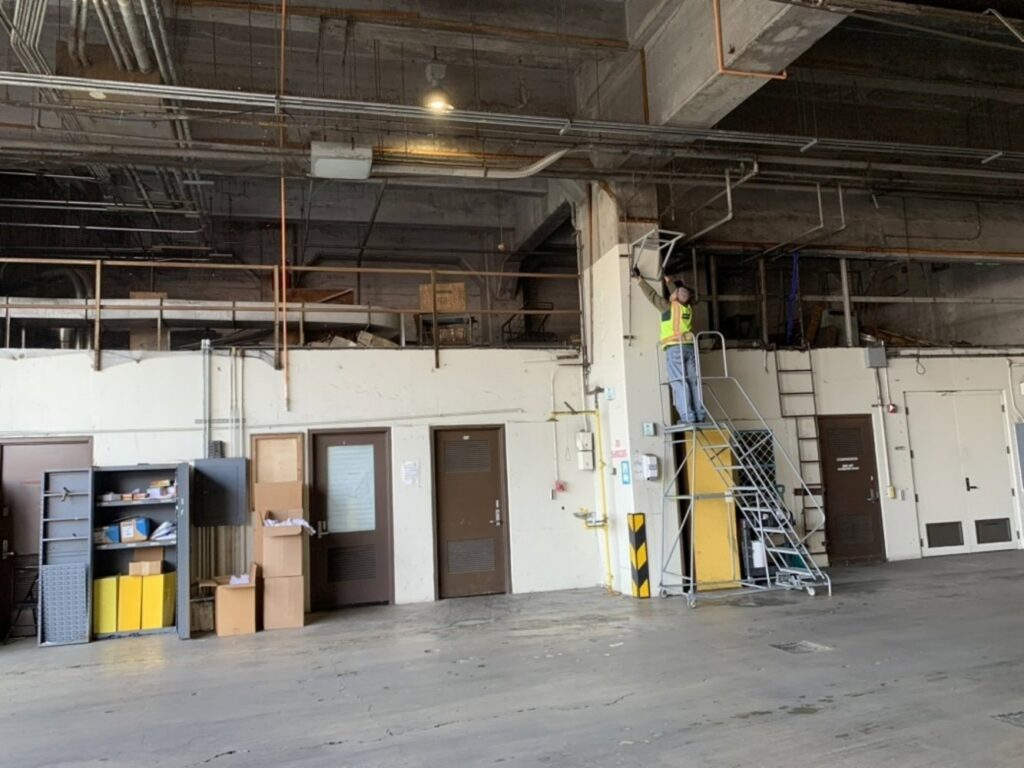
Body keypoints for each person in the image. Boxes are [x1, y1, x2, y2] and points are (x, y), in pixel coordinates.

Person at [633, 270, 706, 425]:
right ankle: (699, 413)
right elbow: (679, 294)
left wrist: (640, 280)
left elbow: (652, 296)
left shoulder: (668, 307)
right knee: (693, 381)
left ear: (674, 297)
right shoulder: (687, 308)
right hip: (689, 347)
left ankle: (687, 416)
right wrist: (669, 281)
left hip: (675, 348)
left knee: (680, 382)